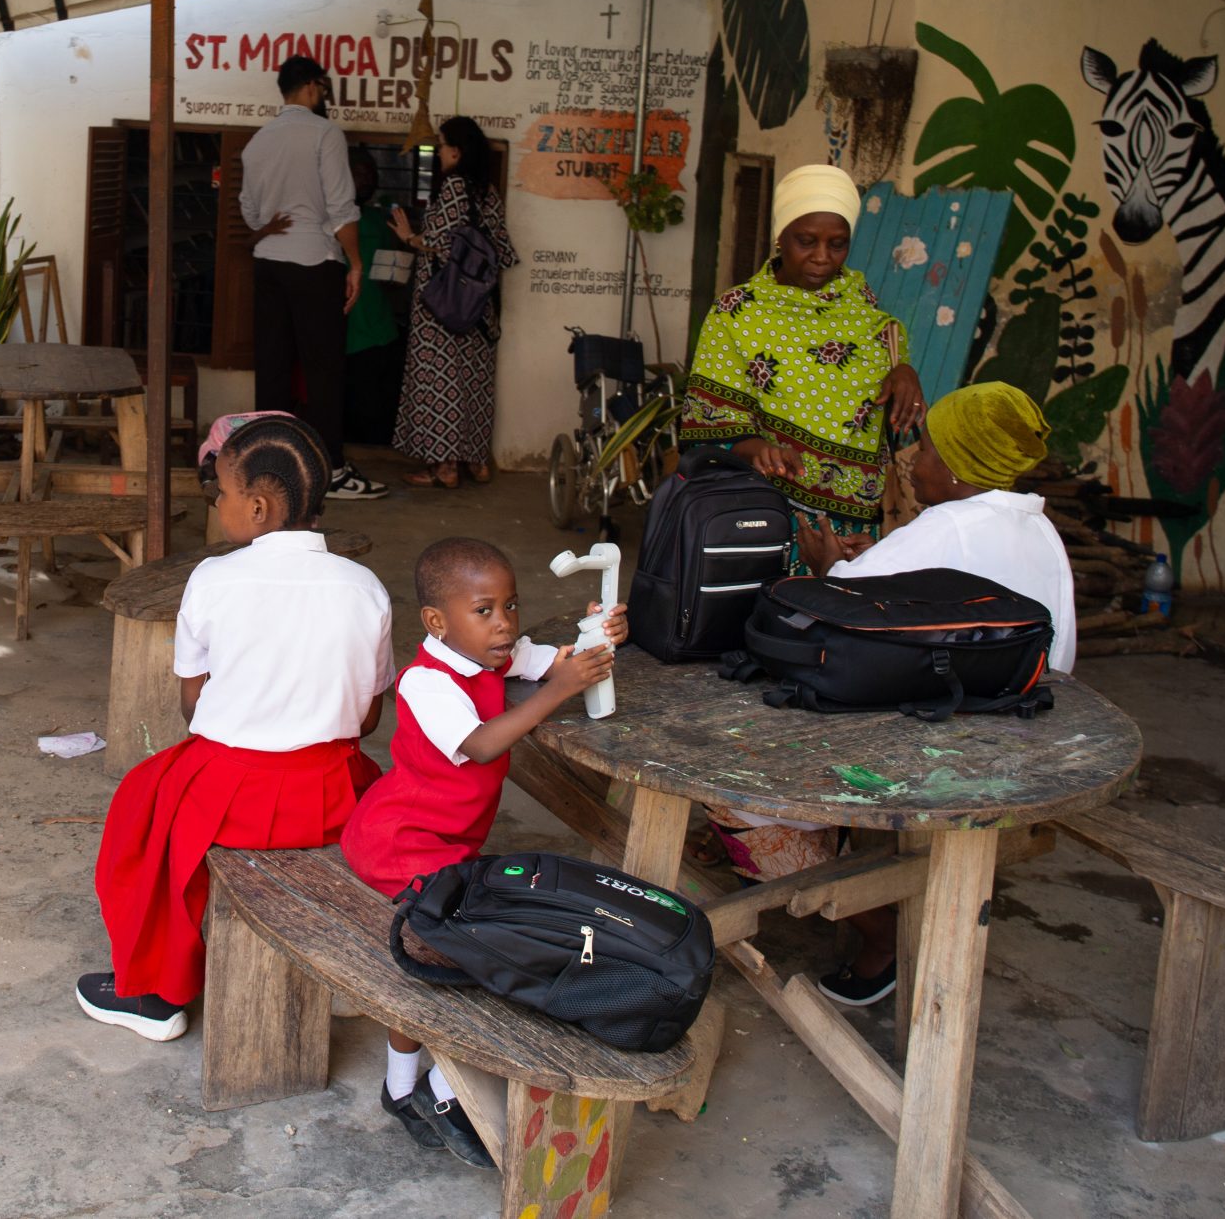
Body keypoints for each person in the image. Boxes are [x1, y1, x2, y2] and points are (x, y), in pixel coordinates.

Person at [80, 415, 391, 1040]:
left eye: (220, 492)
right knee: (383, 795)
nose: (217, 504)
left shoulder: (213, 579)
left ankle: (154, 996)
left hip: (230, 791)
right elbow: (367, 717)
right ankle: (348, 975)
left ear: (257, 507)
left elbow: (193, 706)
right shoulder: (366, 588)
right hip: (333, 794)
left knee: (142, 823)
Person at [340, 536, 620, 1165]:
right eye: (485, 610)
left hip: (445, 846)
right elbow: (483, 743)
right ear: (437, 622)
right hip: (400, 843)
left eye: (511, 606)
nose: (505, 624)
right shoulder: (425, 682)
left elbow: (555, 661)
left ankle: (414, 1089)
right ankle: (430, 1088)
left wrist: (598, 636)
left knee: (466, 946)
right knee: (467, 952)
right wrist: (560, 690)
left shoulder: (494, 654)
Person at [795, 381, 1070, 1009]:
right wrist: (879, 563)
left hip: (939, 753)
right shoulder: (1039, 528)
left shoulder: (946, 523)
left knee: (750, 808)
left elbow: (844, 608)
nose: (913, 463)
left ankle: (880, 936)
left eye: (923, 450)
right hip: (1021, 738)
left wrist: (824, 566)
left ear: (955, 469)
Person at [679, 162, 925, 569]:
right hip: (771, 515)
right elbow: (708, 423)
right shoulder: (737, 312)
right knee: (778, 607)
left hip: (858, 527)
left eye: (838, 244)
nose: (822, 257)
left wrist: (904, 372)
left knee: (843, 605)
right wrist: (759, 449)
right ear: (780, 236)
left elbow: (887, 360)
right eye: (806, 241)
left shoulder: (860, 302)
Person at [239, 57, 384, 501]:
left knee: (273, 369)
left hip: (269, 263)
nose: (322, 95)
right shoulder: (325, 134)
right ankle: (330, 471)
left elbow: (251, 214)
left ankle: (272, 469)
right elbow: (341, 208)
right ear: (309, 87)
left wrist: (271, 226)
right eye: (320, 87)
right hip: (314, 263)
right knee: (324, 372)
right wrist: (355, 263)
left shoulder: (257, 142)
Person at [391, 117, 516, 489]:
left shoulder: (454, 187)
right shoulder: (488, 192)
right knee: (473, 383)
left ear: (456, 151)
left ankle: (444, 468)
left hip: (441, 307)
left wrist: (409, 236)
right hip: (479, 307)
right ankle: (476, 463)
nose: (439, 152)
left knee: (439, 384)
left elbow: (437, 243)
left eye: (442, 145)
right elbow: (504, 251)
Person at [342, 148, 404, 447]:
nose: (368, 180)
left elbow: (393, 270)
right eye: (360, 173)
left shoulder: (379, 220)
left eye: (372, 174)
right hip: (345, 327)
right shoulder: (329, 218)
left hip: (378, 326)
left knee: (375, 402)